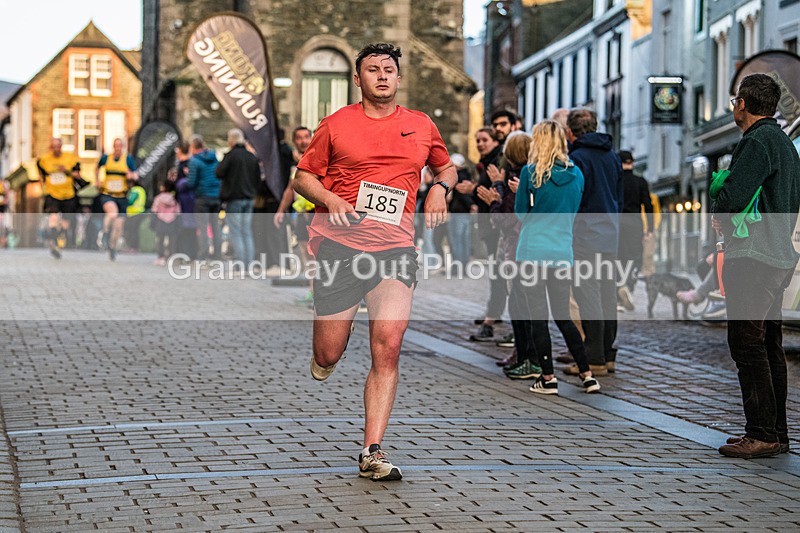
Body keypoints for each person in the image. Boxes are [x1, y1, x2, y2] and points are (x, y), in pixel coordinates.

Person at [293, 42, 455, 481]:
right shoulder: (336, 124)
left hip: (396, 251)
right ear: (357, 79)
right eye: (372, 70)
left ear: (398, 78)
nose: (382, 76)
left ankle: (372, 450)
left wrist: (440, 188)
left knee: (389, 346)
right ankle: (325, 357)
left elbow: (447, 168)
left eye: (389, 70)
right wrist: (329, 199)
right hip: (340, 247)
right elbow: (303, 177)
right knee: (329, 351)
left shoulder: (420, 125)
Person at [712, 74, 800, 459]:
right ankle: (777, 432)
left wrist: (720, 207)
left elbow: (733, 196)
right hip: (778, 255)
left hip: (753, 254)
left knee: (746, 342)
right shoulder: (785, 144)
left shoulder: (757, 142)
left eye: (735, 101)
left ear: (743, 104)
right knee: (769, 343)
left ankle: (761, 432)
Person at [514, 120, 599, 395]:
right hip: (562, 251)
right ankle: (587, 375)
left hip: (532, 252)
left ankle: (548, 377)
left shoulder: (530, 173)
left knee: (538, 317)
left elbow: (520, 214)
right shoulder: (577, 175)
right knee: (563, 315)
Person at [562, 108, 623, 377]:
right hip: (611, 233)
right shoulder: (612, 157)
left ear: (569, 132)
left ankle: (594, 358)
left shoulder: (575, 159)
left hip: (585, 235)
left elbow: (574, 199)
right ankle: (608, 355)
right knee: (608, 294)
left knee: (589, 295)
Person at [476, 132, 532, 377]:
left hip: (516, 249)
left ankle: (525, 355)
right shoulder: (529, 176)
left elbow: (505, 219)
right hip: (524, 248)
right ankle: (523, 353)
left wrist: (494, 198)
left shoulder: (515, 180)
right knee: (521, 303)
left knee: (520, 304)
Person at [469, 126, 505, 341]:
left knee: (500, 274)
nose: (480, 144)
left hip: (496, 227)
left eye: (484, 140)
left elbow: (493, 194)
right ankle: (492, 315)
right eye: (478, 140)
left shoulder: (497, 162)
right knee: (497, 274)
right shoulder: (486, 163)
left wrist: (472, 190)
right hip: (489, 225)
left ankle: (490, 320)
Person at [275, 126, 316, 301]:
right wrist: (281, 210)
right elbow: (290, 189)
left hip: (315, 213)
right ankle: (313, 292)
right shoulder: (295, 163)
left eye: (306, 137)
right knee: (306, 252)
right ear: (294, 141)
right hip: (301, 214)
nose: (303, 141)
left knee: (317, 254)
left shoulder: (316, 157)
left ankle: (322, 293)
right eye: (299, 138)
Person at [216, 128, 261, 268]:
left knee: (235, 231)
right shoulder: (251, 156)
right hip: (249, 198)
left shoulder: (230, 156)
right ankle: (249, 262)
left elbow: (219, 172)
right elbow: (258, 178)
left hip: (234, 198)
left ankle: (241, 263)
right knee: (247, 230)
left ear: (231, 140)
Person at [616, 150, 653, 310]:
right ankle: (629, 287)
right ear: (632, 162)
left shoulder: (615, 181)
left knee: (618, 257)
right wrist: (649, 228)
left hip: (617, 222)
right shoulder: (640, 182)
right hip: (634, 223)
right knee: (635, 258)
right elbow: (648, 205)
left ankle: (619, 290)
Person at [37, 138, 84, 259]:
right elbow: (40, 171)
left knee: (65, 223)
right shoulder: (44, 160)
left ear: (61, 147)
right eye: (54, 147)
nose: (56, 149)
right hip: (52, 194)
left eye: (58, 146)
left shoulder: (70, 158)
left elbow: (77, 174)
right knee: (53, 217)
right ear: (51, 148)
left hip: (68, 195)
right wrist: (42, 182)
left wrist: (66, 171)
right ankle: (53, 241)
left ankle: (59, 241)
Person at [96, 138, 138, 261]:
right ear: (113, 147)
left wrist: (131, 176)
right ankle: (104, 233)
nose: (118, 149)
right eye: (116, 146)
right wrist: (97, 180)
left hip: (122, 195)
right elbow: (97, 167)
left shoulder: (128, 159)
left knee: (118, 226)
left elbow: (136, 174)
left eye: (120, 146)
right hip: (108, 194)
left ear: (123, 147)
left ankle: (112, 247)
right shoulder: (106, 158)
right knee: (112, 213)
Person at [186, 135, 221, 263]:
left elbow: (191, 182)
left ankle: (202, 255)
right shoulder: (214, 157)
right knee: (216, 227)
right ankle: (218, 255)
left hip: (202, 197)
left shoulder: (194, 161)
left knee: (203, 228)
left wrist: (186, 176)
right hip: (216, 196)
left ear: (194, 147)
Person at [446, 153, 474, 270]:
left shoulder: (457, 177)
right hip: (464, 212)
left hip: (458, 212)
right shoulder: (467, 176)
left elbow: (462, 194)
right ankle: (464, 265)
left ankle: (458, 267)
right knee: (464, 240)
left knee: (457, 240)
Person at [150, 179, 180, 266]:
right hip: (172, 221)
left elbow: (154, 210)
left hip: (161, 221)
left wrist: (153, 222)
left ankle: (161, 257)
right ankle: (170, 256)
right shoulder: (174, 199)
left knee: (160, 240)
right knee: (171, 241)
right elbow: (178, 211)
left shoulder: (158, 198)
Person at [125, 178, 147, 252]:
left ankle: (133, 247)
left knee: (132, 231)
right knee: (135, 231)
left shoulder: (135, 190)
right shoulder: (141, 189)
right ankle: (135, 247)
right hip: (140, 212)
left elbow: (130, 201)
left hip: (134, 213)